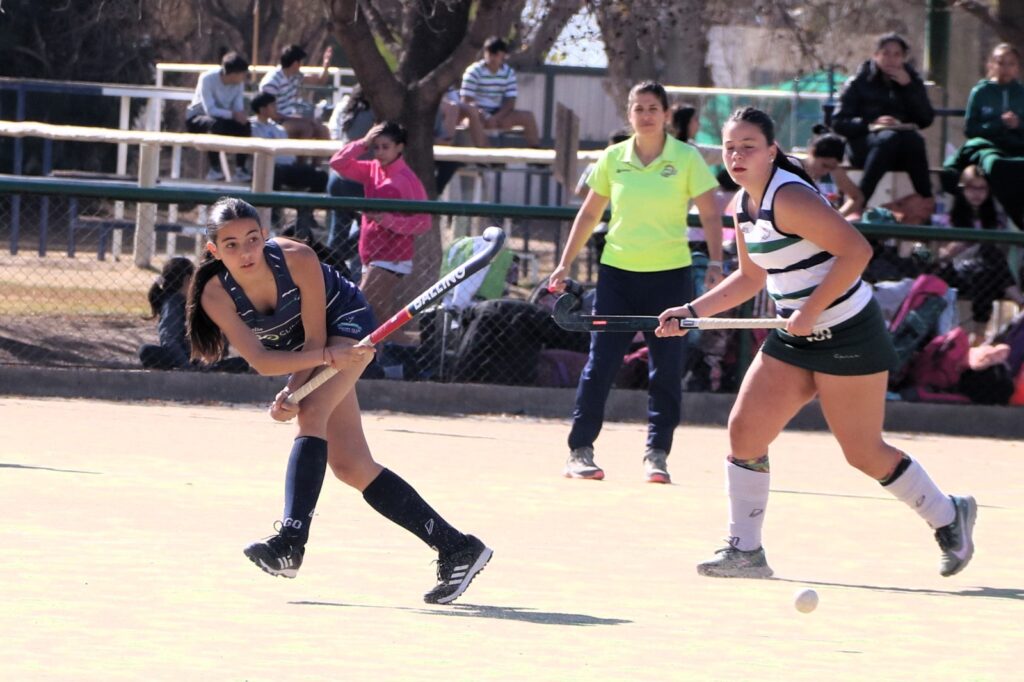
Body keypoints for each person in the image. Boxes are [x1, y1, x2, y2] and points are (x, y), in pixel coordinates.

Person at [654, 107, 976, 579]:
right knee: (745, 431)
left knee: (863, 452)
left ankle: (949, 516)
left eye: (748, 147)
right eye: (730, 148)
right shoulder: (742, 204)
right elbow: (749, 277)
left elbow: (858, 251)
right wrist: (691, 312)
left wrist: (808, 312)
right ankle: (745, 550)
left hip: (848, 330)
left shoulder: (790, 198)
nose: (738, 156)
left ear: (771, 151)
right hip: (795, 337)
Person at [185, 196, 491, 604]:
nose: (246, 252)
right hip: (315, 349)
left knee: (311, 412)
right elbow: (260, 360)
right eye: (232, 245)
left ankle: (290, 543)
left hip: (345, 322)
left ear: (266, 236)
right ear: (214, 251)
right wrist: (296, 384)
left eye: (253, 239)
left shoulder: (296, 258)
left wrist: (303, 386)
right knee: (350, 465)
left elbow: (316, 337)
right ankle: (457, 547)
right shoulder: (215, 295)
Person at [547, 81, 724, 484]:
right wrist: (563, 263)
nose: (645, 115)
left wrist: (715, 262)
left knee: (666, 368)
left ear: (666, 114)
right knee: (600, 364)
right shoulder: (613, 158)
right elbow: (589, 215)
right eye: (638, 108)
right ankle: (580, 450)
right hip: (617, 276)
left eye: (652, 108)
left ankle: (657, 454)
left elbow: (711, 214)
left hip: (670, 277)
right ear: (629, 115)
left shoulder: (686, 157)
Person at [329, 121, 432, 330]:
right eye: (376, 147)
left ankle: (399, 350)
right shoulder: (371, 170)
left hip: (393, 257)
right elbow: (337, 163)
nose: (379, 152)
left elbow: (423, 222)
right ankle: (403, 350)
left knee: (358, 303)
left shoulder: (408, 180)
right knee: (377, 318)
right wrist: (363, 143)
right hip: (371, 254)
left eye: (386, 147)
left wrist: (389, 220)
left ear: (399, 147)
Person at [831, 33, 935, 210]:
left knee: (914, 140)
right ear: (876, 55)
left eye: (897, 55)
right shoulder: (858, 82)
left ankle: (926, 203)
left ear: (903, 58)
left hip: (901, 146)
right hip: (865, 145)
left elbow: (925, 119)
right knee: (888, 138)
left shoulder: (911, 82)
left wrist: (908, 88)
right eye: (886, 53)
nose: (891, 59)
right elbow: (839, 121)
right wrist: (871, 124)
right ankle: (860, 201)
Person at [933, 165, 1024, 342]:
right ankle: (1018, 299)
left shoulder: (996, 220)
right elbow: (939, 258)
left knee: (988, 261)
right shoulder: (947, 219)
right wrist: (957, 247)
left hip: (984, 275)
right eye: (971, 188)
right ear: (962, 189)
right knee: (988, 263)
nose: (977, 193)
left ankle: (979, 335)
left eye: (982, 188)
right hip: (957, 272)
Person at [946, 43, 1024, 226]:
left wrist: (1018, 124)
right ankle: (1016, 219)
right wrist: (998, 124)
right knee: (996, 165)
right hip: (987, 148)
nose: (1005, 68)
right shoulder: (980, 92)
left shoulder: (1021, 94)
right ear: (991, 64)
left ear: (1018, 67)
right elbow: (971, 128)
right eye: (1000, 63)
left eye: (1011, 64)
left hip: (1017, 147)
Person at [138, 257, 249, 373]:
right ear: (187, 280)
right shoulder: (173, 303)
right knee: (146, 351)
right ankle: (204, 370)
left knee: (241, 363)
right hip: (180, 359)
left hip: (196, 359)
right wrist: (186, 366)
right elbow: (169, 340)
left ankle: (207, 369)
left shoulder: (194, 304)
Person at [460, 37, 540, 147]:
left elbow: (510, 101)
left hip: (499, 114)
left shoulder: (508, 73)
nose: (492, 57)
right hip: (477, 114)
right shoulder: (473, 71)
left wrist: (496, 117)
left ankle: (536, 157)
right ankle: (487, 157)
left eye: (496, 54)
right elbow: (466, 100)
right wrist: (486, 116)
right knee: (472, 116)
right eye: (490, 53)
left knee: (528, 117)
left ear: (503, 55)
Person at [185, 51, 252, 182]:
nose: (244, 77)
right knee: (215, 124)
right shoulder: (207, 79)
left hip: (223, 118)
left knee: (245, 126)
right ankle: (214, 169)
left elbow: (238, 107)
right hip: (198, 118)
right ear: (233, 74)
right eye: (242, 74)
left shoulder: (239, 84)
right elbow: (209, 110)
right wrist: (233, 114)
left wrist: (241, 117)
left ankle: (240, 169)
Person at [258, 44, 332, 141]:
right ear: (295, 64)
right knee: (306, 128)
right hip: (275, 122)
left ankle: (324, 156)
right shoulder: (271, 82)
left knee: (322, 129)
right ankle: (299, 156)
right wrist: (300, 119)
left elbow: (320, 81)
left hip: (290, 118)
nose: (302, 65)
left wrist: (326, 65)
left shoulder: (295, 76)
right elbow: (271, 114)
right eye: (301, 62)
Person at [798, 124, 865, 217]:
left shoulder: (835, 173)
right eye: (824, 165)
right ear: (812, 152)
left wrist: (837, 217)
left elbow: (857, 198)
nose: (826, 172)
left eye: (832, 167)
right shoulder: (795, 168)